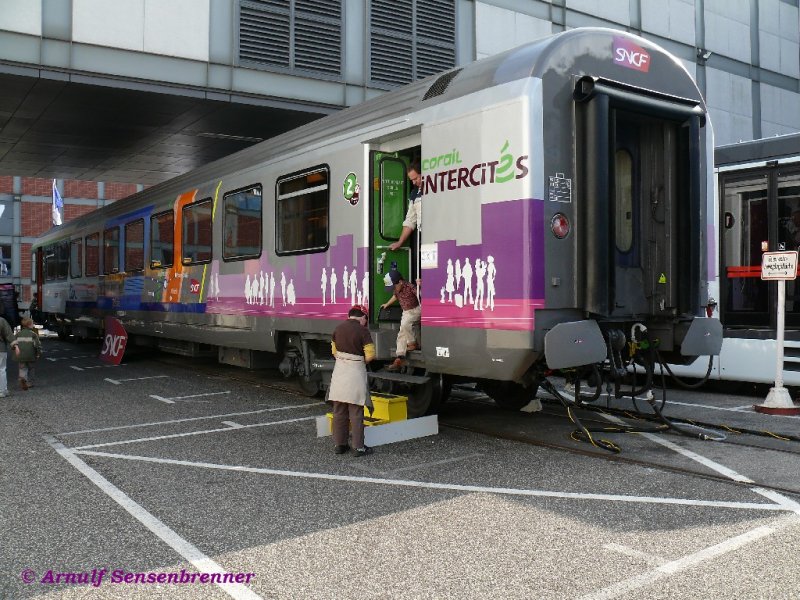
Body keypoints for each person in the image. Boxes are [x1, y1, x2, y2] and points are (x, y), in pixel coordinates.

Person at [328, 305, 376, 457]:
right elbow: (370, 356)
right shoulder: (363, 331)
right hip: (355, 371)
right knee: (356, 411)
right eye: (365, 319)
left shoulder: (337, 328)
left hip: (339, 371)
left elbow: (334, 352)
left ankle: (340, 445)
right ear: (363, 317)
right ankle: (358, 448)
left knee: (339, 410)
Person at [380, 270, 421, 371]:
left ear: (401, 282)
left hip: (416, 309)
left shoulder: (410, 287)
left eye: (394, 286)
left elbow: (420, 294)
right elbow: (395, 296)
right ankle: (399, 357)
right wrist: (387, 304)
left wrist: (420, 286)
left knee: (405, 323)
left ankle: (412, 343)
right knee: (401, 333)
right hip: (406, 312)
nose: (394, 289)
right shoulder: (397, 289)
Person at [389, 160, 422, 252]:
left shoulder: (435, 188)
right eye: (411, 180)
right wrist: (400, 242)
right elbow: (410, 220)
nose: (414, 183)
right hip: (422, 239)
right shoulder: (414, 193)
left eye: (416, 179)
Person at [11, 317, 41, 390]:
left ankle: (23, 379)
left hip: (21, 355)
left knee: (22, 368)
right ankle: (30, 383)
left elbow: (13, 343)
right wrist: (38, 353)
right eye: (32, 323)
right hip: (31, 355)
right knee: (31, 368)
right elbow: (37, 345)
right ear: (29, 325)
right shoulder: (33, 334)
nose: (33, 324)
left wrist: (13, 349)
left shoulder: (18, 334)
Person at [0, 313, 14, 397]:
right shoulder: (1, 320)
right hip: (1, 349)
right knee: (1, 369)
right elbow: (9, 334)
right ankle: (2, 391)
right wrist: (15, 346)